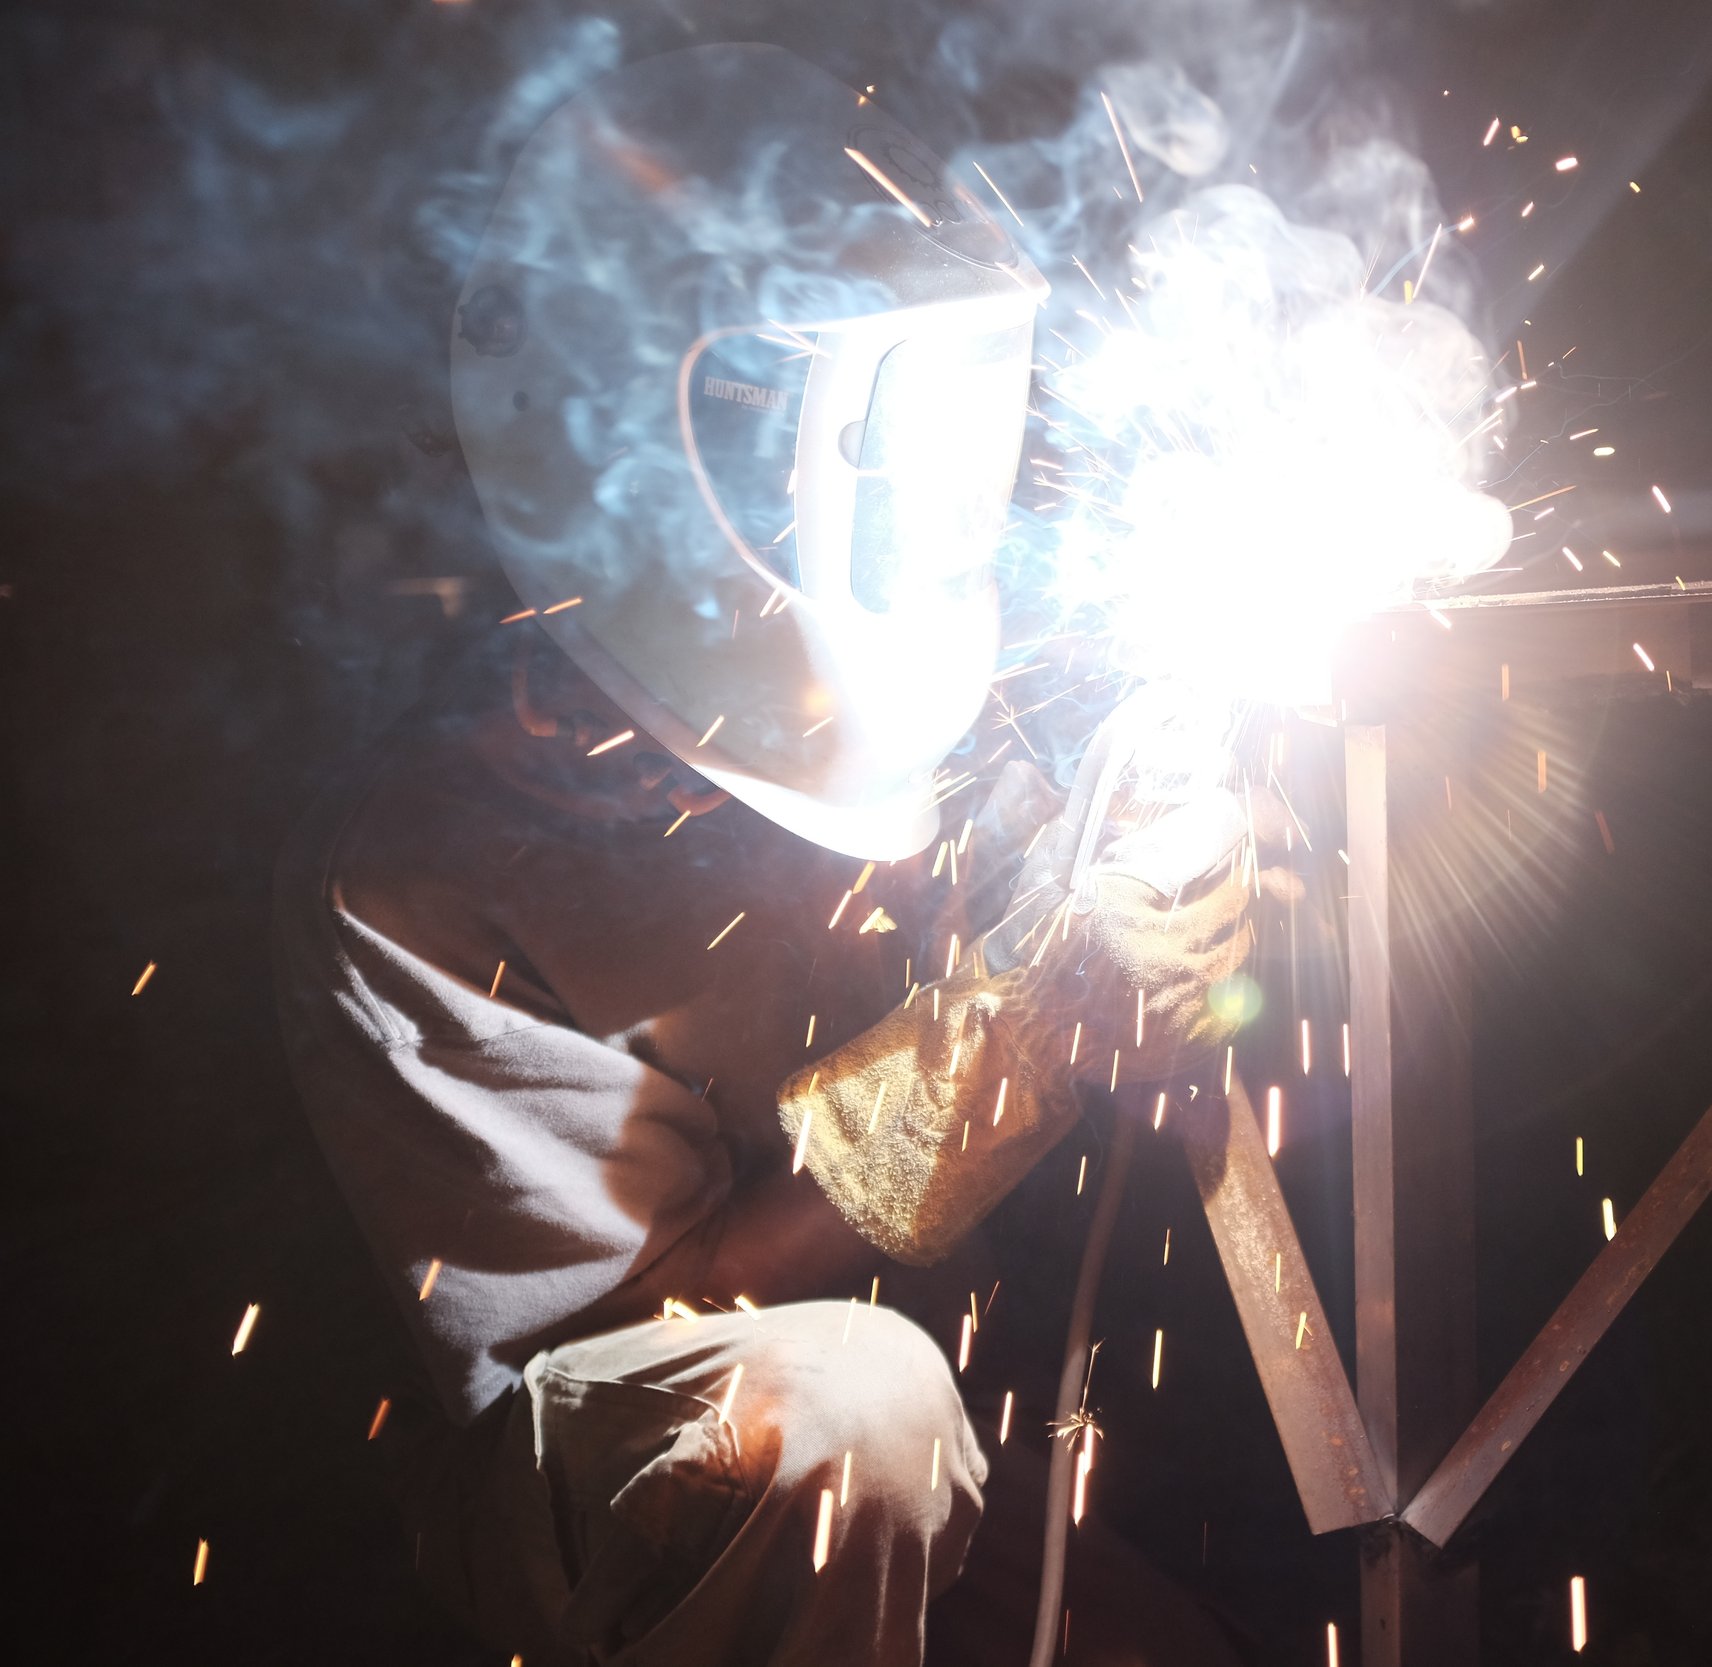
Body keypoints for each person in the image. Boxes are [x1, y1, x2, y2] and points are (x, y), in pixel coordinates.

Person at [274, 43, 1251, 1666]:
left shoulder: (915, 693)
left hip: (929, 1453)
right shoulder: (415, 881)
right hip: (602, 1513)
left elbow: (1097, 958)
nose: (917, 490)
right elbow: (667, 1352)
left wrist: (1156, 883)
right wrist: (1003, 1058)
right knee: (841, 1413)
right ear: (644, 455)